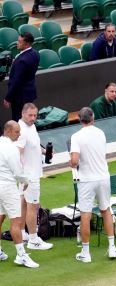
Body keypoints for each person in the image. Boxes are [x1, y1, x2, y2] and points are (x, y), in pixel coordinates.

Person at [70, 107, 116, 263]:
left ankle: (86, 253)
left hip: (87, 181)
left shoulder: (76, 137)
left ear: (79, 119)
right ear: (93, 118)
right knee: (106, 210)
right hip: (103, 178)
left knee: (85, 215)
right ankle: (112, 248)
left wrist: (71, 162)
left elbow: (74, 161)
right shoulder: (101, 133)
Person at [0, 121, 39, 268]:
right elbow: (17, 171)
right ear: (8, 131)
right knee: (16, 221)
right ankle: (21, 255)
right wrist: (25, 181)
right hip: (8, 188)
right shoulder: (11, 149)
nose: (19, 134)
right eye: (17, 131)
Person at [15, 103, 53, 250]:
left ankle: (23, 233)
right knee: (33, 206)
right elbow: (17, 153)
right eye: (30, 115)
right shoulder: (22, 131)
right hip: (29, 176)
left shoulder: (31, 127)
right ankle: (33, 239)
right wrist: (21, 174)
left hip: (29, 174)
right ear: (23, 113)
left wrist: (44, 151)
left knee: (24, 204)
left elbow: (34, 145)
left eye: (35, 115)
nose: (33, 118)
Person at [3, 32, 40, 122]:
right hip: (29, 93)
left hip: (20, 97)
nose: (17, 43)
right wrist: (15, 64)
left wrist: (8, 98)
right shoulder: (35, 54)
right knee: (29, 120)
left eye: (19, 41)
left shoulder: (22, 61)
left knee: (19, 121)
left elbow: (16, 81)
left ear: (26, 44)